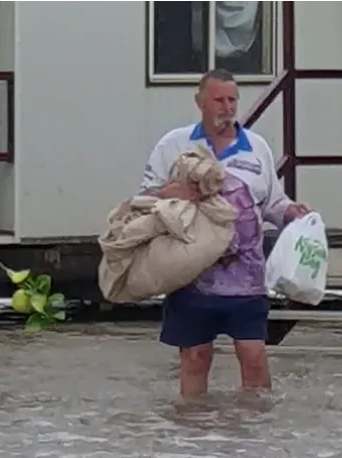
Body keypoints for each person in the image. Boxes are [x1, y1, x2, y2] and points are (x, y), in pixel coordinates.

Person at [139, 68, 311, 397]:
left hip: (247, 277)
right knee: (194, 357)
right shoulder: (173, 145)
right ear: (200, 102)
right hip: (190, 275)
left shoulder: (256, 147)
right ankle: (193, 431)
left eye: (232, 99)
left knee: (254, 357)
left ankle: (256, 431)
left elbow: (273, 201)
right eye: (219, 99)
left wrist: (292, 211)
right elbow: (144, 199)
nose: (227, 107)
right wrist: (173, 193)